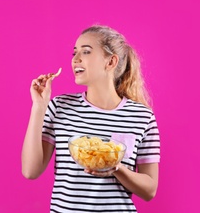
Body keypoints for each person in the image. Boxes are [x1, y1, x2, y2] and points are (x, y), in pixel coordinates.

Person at [21, 24, 160, 212]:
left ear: (110, 62)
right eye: (74, 53)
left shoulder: (142, 116)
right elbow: (30, 171)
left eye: (86, 52)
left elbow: (149, 189)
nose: (75, 59)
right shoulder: (59, 107)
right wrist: (38, 107)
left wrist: (116, 168)